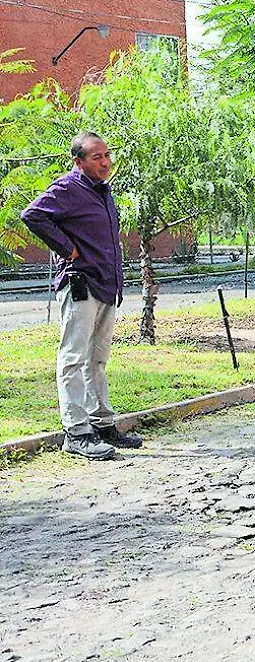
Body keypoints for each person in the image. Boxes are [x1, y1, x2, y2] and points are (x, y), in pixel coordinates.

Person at [21, 131, 143, 460]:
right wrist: (68, 249)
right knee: (73, 358)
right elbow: (33, 215)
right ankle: (75, 432)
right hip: (81, 285)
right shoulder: (68, 188)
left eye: (106, 155)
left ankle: (102, 424)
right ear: (79, 162)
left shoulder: (103, 191)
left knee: (97, 359)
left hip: (106, 283)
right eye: (96, 157)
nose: (105, 162)